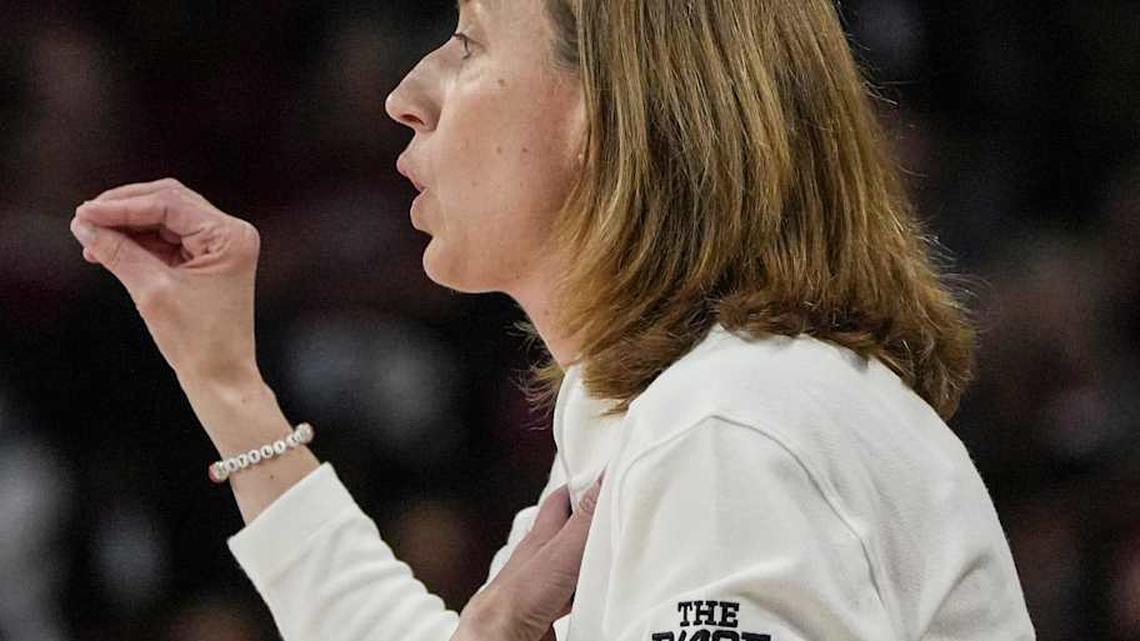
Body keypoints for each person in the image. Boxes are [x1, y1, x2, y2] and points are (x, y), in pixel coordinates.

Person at [67, 0, 1037, 639]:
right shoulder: (699, 405)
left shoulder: (730, 430)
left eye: (468, 41)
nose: (405, 97)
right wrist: (229, 386)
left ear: (611, 110)